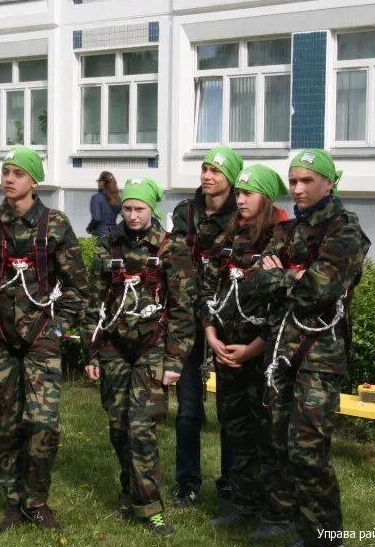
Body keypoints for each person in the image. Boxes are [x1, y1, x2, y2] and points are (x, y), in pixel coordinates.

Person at [246, 149, 370, 547]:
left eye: (306, 181)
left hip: (319, 355)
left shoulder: (344, 230)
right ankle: (297, 526)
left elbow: (321, 289)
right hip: (282, 351)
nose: (297, 189)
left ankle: (327, 538)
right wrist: (292, 277)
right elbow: (254, 282)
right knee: (280, 442)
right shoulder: (287, 231)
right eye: (293, 181)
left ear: (328, 183)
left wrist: (283, 276)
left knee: (308, 451)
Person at [0, 147, 88, 533]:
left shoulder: (55, 224)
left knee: (42, 421)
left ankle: (36, 500)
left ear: (33, 180)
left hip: (41, 337)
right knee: (8, 422)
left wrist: (57, 330)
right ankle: (13, 501)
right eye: (5, 172)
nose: (9, 179)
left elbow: (77, 286)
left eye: (18, 173)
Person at [84, 178, 195, 536]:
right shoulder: (106, 246)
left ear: (152, 210)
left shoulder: (169, 247)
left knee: (141, 428)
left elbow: (182, 309)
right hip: (114, 348)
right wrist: (92, 352)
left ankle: (150, 507)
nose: (132, 216)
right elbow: (94, 303)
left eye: (139, 209)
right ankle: (129, 492)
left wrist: (175, 361)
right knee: (119, 427)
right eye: (127, 208)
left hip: (152, 349)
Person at [200, 165, 293, 540]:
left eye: (248, 194)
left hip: (263, 359)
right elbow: (206, 289)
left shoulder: (281, 240)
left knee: (268, 436)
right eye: (238, 193)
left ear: (266, 198)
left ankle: (277, 515)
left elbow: (285, 306)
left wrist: (253, 349)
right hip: (226, 353)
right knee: (236, 431)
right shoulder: (229, 236)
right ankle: (243, 504)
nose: (240, 199)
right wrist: (210, 335)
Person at [169, 146, 242, 508]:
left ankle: (230, 481)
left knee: (229, 407)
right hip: (187, 320)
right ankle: (187, 482)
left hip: (226, 320)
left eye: (216, 170)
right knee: (188, 408)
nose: (207, 176)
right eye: (204, 168)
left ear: (231, 178)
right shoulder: (185, 212)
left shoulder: (239, 217)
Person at [87, 171, 122, 238]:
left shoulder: (96, 197)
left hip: (102, 235)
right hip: (115, 234)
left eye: (98, 181)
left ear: (102, 183)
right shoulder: (117, 199)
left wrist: (89, 229)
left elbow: (96, 218)